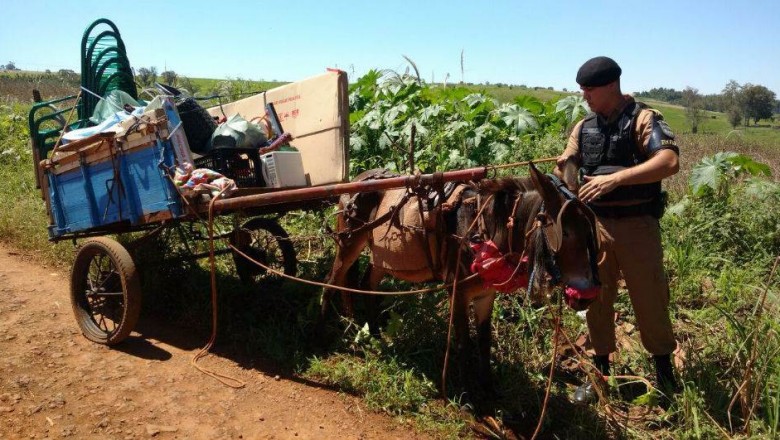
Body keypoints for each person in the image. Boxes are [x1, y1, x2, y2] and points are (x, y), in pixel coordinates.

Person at [556, 56, 680, 404]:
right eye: (582, 90)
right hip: (596, 227)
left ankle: (665, 375)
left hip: (637, 227)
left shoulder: (644, 119)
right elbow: (569, 162)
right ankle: (600, 375)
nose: (585, 97)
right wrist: (566, 169)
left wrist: (617, 178)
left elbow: (669, 161)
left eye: (590, 90)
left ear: (612, 85)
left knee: (649, 297)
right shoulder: (584, 127)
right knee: (595, 297)